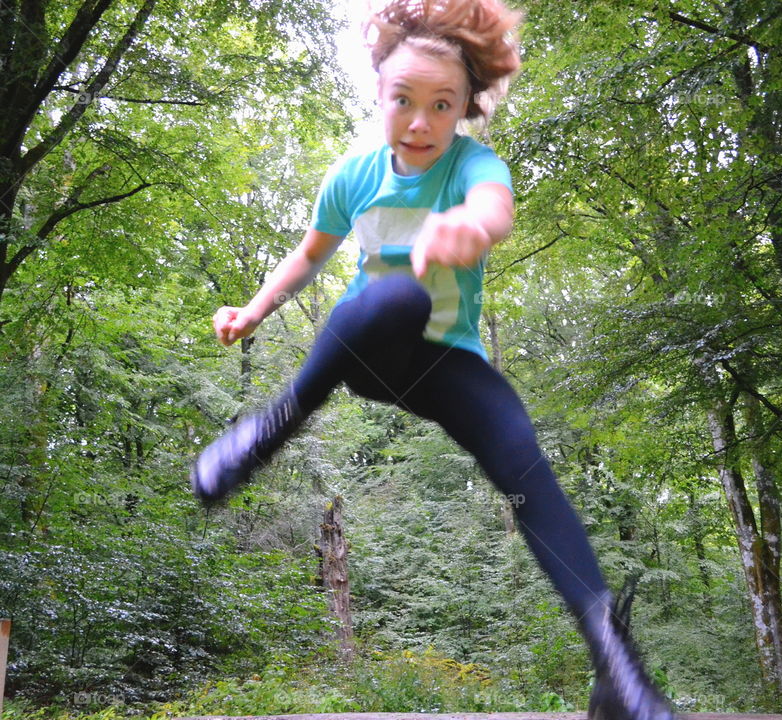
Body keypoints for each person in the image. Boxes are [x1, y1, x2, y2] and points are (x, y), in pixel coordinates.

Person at [190, 2, 674, 719]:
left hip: (449, 367)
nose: (420, 122)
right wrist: (253, 310)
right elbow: (307, 256)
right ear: (379, 95)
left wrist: (466, 228)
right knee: (396, 301)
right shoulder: (352, 176)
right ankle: (271, 427)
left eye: (441, 106)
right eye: (403, 101)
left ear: (464, 109)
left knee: (525, 466)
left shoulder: (474, 165)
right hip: (371, 349)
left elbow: (494, 212)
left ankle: (617, 672)